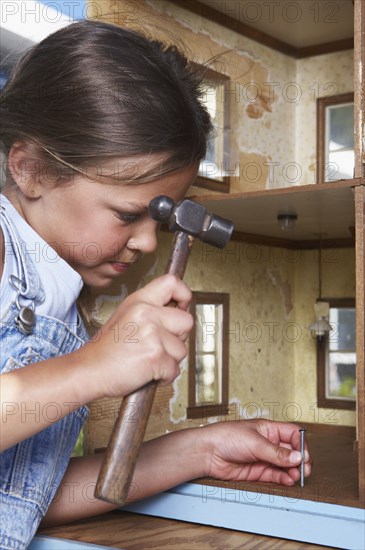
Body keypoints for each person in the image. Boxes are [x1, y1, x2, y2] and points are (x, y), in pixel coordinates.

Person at [0, 20, 311, 549]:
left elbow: (23, 497)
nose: (147, 242)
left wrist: (198, 451)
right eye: (126, 214)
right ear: (30, 170)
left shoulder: (65, 306)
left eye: (160, 220)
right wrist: (92, 367)